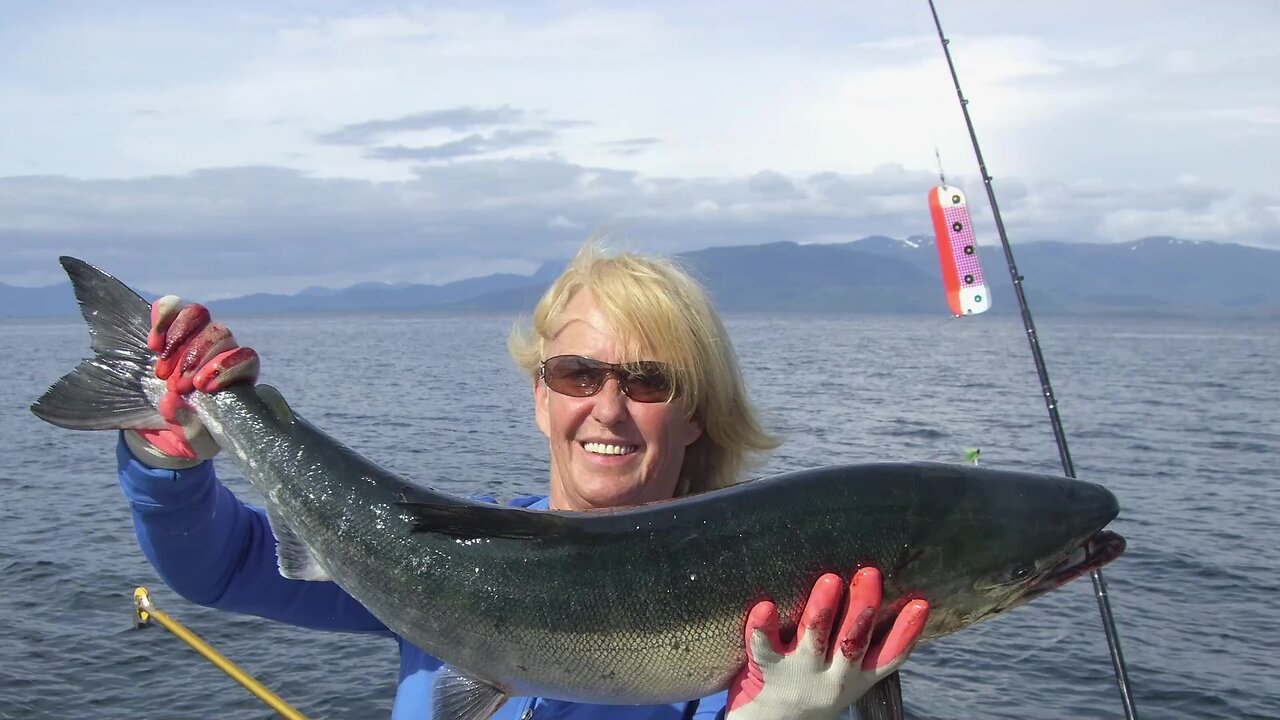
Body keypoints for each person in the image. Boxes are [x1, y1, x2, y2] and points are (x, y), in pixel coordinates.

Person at [118, 238, 930, 719]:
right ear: (538, 396)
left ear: (696, 417)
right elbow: (218, 567)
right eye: (578, 374)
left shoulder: (781, 629)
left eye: (650, 382)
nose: (608, 409)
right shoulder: (442, 557)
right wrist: (170, 457)